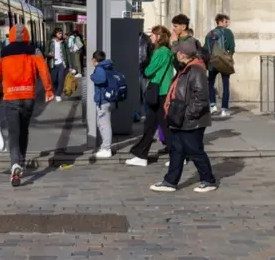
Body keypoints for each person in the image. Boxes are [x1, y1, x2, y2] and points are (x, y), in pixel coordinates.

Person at [0, 24, 54, 187]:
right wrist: (48, 89)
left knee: (13, 132)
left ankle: (15, 164)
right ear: (26, 35)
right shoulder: (34, 51)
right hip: (28, 97)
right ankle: (21, 161)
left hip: (11, 97)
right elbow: (44, 71)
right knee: (24, 130)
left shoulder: (2, 53)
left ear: (10, 36)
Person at [151, 38, 218, 193]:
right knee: (176, 149)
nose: (176, 55)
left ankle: (208, 180)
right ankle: (170, 181)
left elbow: (200, 98)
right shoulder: (186, 68)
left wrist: (188, 115)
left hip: (191, 120)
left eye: (178, 53)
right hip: (181, 118)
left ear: (183, 54)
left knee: (195, 150)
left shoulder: (196, 70)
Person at [127, 26, 174, 167]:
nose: (151, 37)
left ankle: (177, 155)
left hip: (160, 92)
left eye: (153, 35)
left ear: (159, 36)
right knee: (150, 124)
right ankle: (141, 154)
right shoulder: (164, 51)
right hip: (160, 91)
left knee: (164, 126)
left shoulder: (161, 52)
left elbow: (148, 71)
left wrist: (146, 67)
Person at [206, 13, 235, 117]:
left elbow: (206, 49)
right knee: (225, 85)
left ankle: (213, 105)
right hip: (224, 62)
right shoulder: (228, 33)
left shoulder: (210, 34)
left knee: (210, 83)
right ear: (222, 22)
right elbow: (232, 48)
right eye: (226, 22)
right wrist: (229, 58)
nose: (228, 24)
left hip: (212, 62)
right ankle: (224, 109)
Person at [88, 51, 116, 159]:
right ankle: (105, 146)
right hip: (109, 99)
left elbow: (101, 79)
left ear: (94, 60)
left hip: (103, 101)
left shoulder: (99, 68)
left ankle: (106, 148)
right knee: (102, 124)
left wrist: (92, 76)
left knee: (104, 125)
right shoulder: (108, 66)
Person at [46, 27, 68, 102]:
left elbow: (67, 53)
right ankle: (56, 91)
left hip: (62, 63)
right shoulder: (50, 42)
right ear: (55, 34)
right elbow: (45, 52)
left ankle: (58, 94)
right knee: (54, 80)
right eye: (59, 33)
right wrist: (49, 54)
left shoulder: (63, 42)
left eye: (61, 33)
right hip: (53, 64)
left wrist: (70, 66)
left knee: (61, 80)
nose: (61, 35)